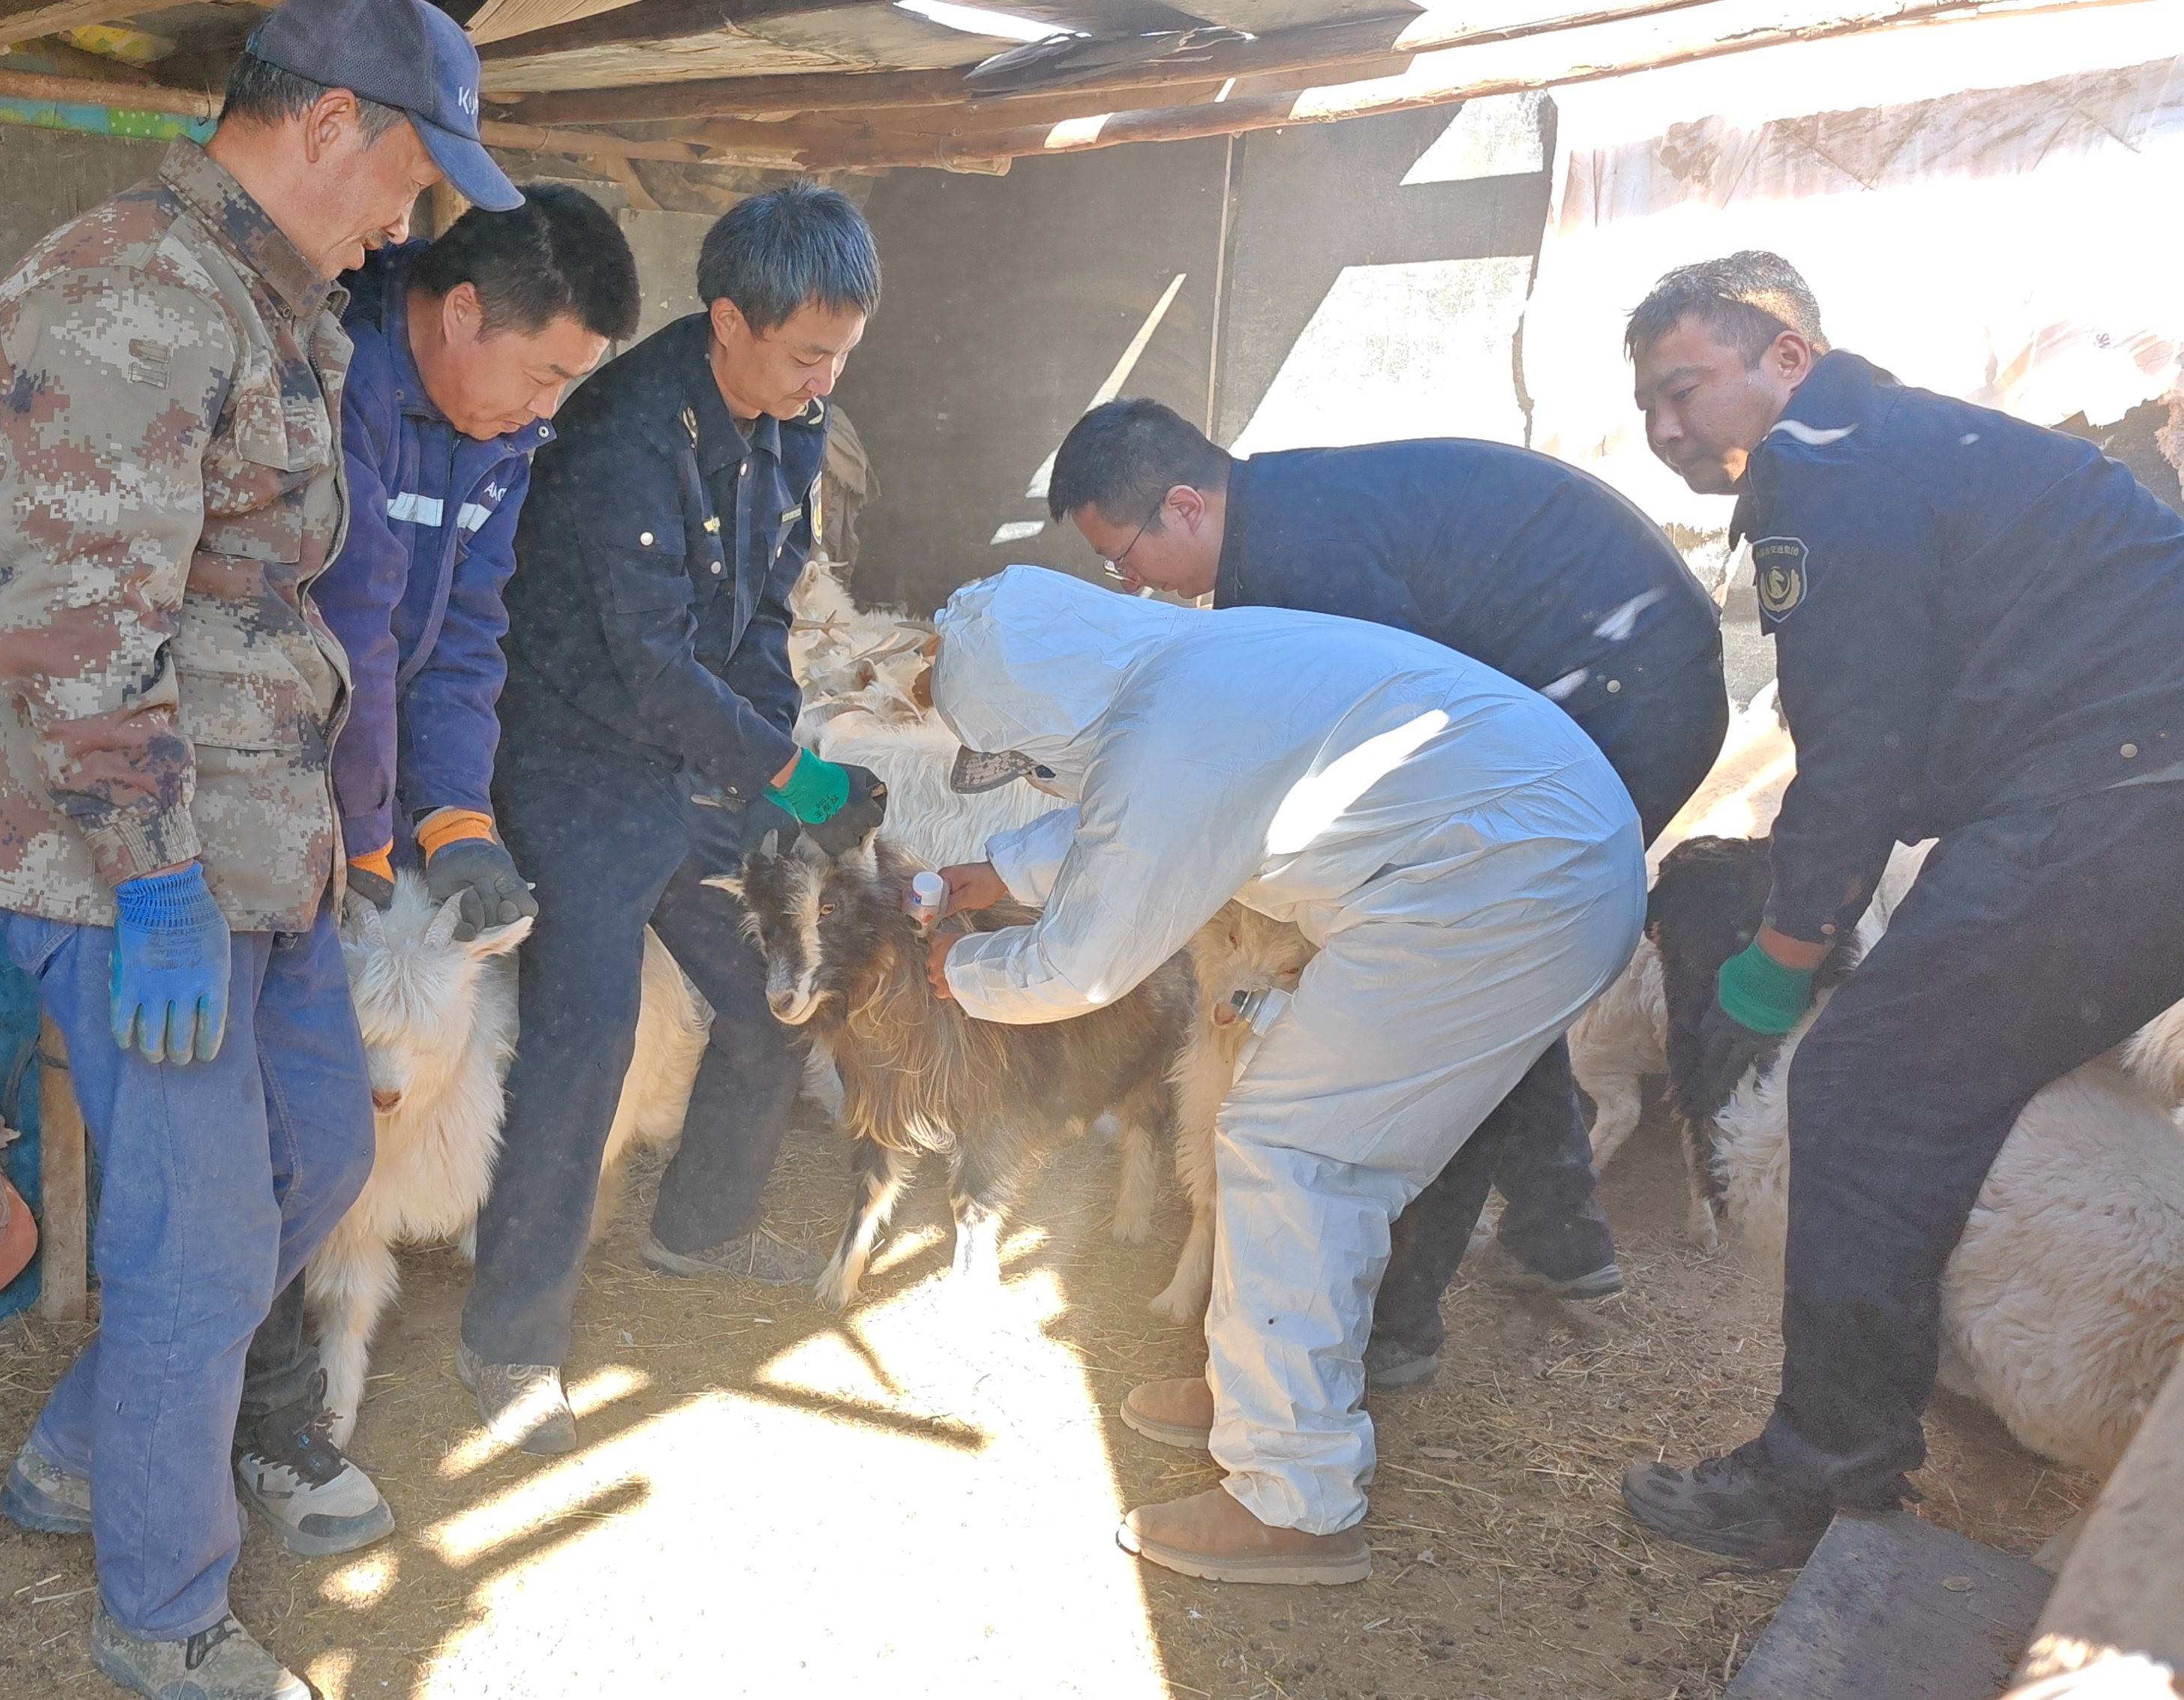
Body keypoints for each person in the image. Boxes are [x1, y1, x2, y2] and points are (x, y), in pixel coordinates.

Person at [0, 0, 520, 1690]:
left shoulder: (276, 304)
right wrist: (151, 878)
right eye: (411, 179)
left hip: (264, 861)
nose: (406, 226)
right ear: (333, 124)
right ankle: (163, 1616)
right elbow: (73, 626)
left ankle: (82, 1448)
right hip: (143, 870)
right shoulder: (130, 294)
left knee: (320, 1169)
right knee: (201, 1247)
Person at [1617, 251, 2184, 1565]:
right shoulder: (1909, 444)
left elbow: (1856, 747)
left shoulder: (1823, 472)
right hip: (2128, 793)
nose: (1663, 429)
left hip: (2113, 795)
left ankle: (1817, 1475)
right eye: (1647, 405)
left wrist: (1787, 943)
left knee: (1865, 1086)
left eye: (1686, 388)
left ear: (1785, 362)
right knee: (1971, 1076)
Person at [926, 564, 1644, 1585]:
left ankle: (1294, 1503)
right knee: (1296, 1144)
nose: (1037, 771)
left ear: (1040, 709)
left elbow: (1084, 960)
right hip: (1522, 858)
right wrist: (1002, 870)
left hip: (1503, 887)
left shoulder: (1175, 722)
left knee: (1295, 1149)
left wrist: (954, 969)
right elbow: (1154, 820)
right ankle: (1253, 1388)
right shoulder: (1187, 671)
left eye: (1028, 757)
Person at [1045, 402, 1728, 1387]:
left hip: (1622, 687)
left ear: (1184, 507)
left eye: (1123, 555)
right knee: (1494, 966)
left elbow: (1366, 746)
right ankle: (1560, 1239)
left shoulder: (1301, 560)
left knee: (1457, 973)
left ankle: (1392, 1322)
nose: (1128, 582)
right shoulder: (1277, 525)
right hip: (1610, 677)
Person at [225, 184, 641, 1558]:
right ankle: (269, 1426)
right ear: (462, 313)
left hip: (362, 794)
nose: (543, 411)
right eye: (542, 374)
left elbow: (461, 636)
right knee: (276, 1127)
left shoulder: (494, 435)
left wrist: (454, 823)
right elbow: (341, 620)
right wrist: (357, 842)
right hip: (242, 792)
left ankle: (206, 1418)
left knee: (339, 1120)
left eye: (567, 388)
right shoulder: (331, 373)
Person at [457, 182, 889, 1453]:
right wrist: (802, 786)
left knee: (774, 990)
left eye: (840, 359)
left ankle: (698, 1228)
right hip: (575, 768)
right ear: (726, 320)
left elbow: (759, 612)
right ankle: (510, 1344)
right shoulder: (620, 437)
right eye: (806, 353)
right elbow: (648, 667)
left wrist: (776, 779)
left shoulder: (789, 425)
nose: (821, 383)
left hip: (692, 764)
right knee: (580, 1049)